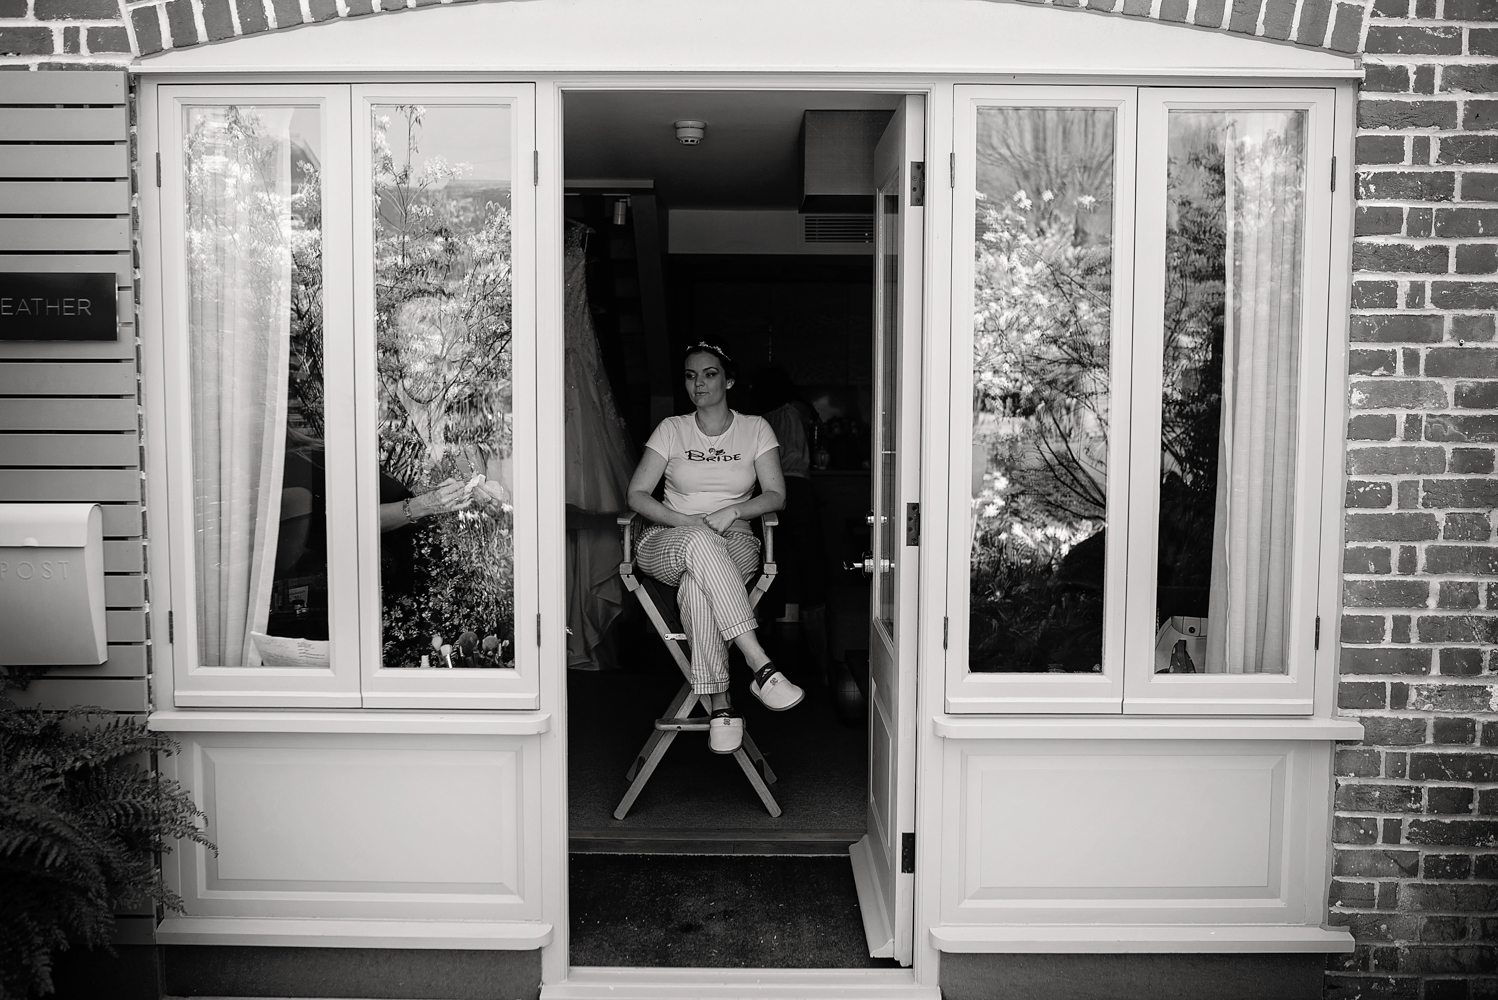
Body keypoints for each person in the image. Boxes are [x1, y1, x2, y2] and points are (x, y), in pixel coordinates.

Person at [626, 342, 805, 755]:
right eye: (690, 375)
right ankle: (761, 665)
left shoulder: (756, 428)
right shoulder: (671, 429)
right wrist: (687, 522)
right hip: (668, 539)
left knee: (695, 587)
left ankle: (722, 707)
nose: (699, 383)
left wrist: (735, 511)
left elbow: (777, 495)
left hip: (736, 540)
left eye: (708, 374)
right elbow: (637, 495)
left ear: (728, 380)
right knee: (699, 545)